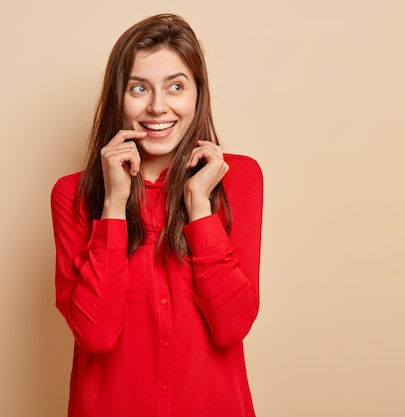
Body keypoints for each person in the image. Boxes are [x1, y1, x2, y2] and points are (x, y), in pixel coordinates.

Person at [50, 14, 263, 417]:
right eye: (139, 88)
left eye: (176, 86)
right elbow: (95, 334)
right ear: (119, 96)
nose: (157, 106)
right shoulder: (72, 195)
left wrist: (199, 207)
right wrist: (114, 205)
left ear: (199, 93)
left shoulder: (239, 179)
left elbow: (232, 325)